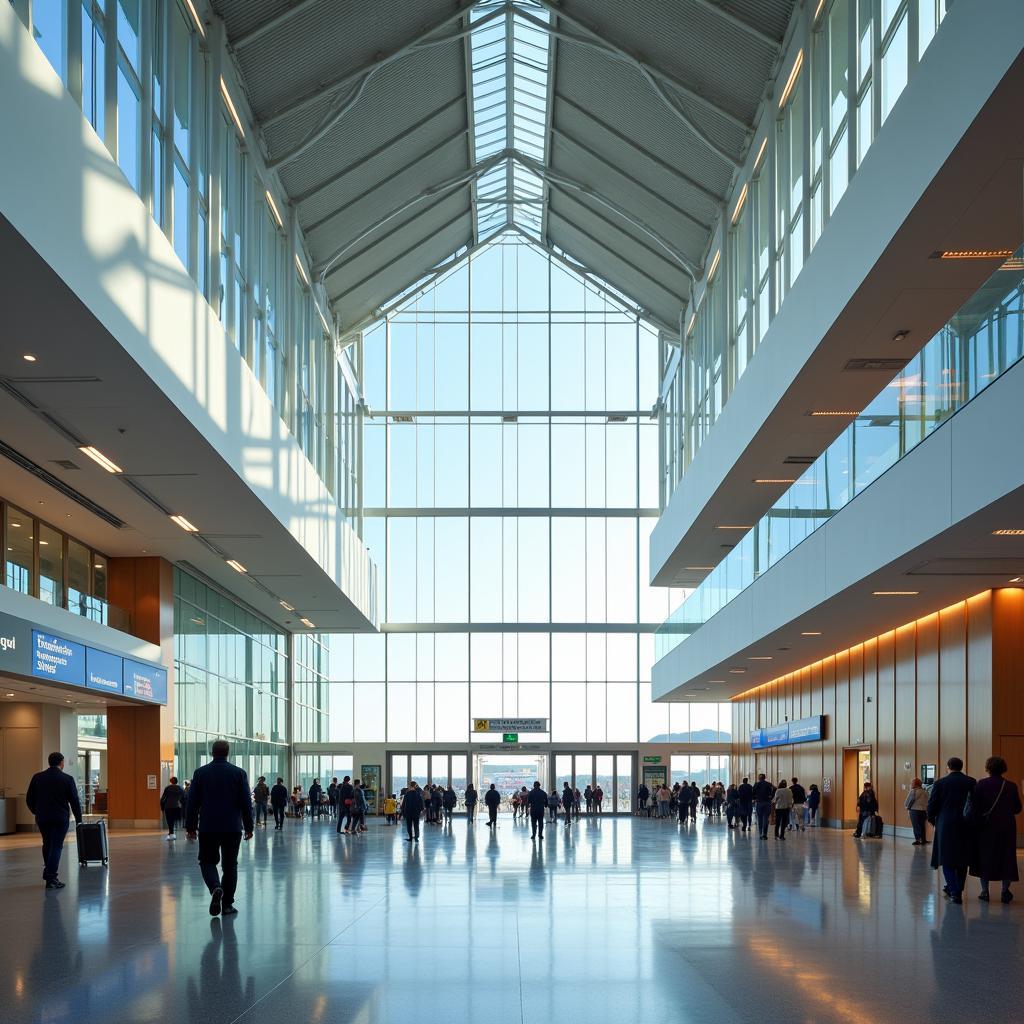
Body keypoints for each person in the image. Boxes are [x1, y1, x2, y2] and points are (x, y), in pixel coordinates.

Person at [184, 739, 253, 917]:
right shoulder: (239, 774)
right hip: (232, 827)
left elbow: (192, 803)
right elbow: (246, 803)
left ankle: (215, 887)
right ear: (227, 753)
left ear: (211, 753)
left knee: (207, 861)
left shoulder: (200, 773)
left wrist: (190, 826)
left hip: (208, 826)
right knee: (230, 866)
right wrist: (249, 826)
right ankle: (227, 905)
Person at [25, 751, 82, 890]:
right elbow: (74, 801)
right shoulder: (67, 779)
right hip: (60, 818)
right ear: (61, 763)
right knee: (56, 846)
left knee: (47, 844)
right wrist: (79, 820)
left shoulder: (37, 777)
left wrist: (36, 811)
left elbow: (29, 799)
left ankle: (50, 875)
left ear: (49, 762)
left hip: (42, 818)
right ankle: (51, 877)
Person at [969, 756, 1022, 903]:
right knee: (1006, 857)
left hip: (985, 828)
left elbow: (975, 807)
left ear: (988, 768)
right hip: (1007, 828)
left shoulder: (981, 784)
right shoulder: (1011, 786)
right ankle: (1005, 891)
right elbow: (1018, 808)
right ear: (1003, 768)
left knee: (985, 857)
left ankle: (985, 891)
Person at [927, 757, 976, 904]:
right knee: (962, 859)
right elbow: (975, 803)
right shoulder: (971, 782)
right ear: (961, 767)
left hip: (945, 824)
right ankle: (958, 888)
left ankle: (954, 891)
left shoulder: (940, 783)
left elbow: (932, 805)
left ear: (948, 767)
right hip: (965, 824)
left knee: (946, 858)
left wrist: (933, 820)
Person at [905, 778, 929, 845]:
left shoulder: (913, 791)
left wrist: (907, 806)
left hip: (914, 811)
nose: (911, 784)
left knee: (916, 826)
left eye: (912, 783)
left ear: (914, 784)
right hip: (924, 811)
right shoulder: (925, 792)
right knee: (922, 826)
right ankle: (923, 839)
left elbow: (907, 801)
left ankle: (918, 840)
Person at [160, 776, 186, 840]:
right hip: (177, 806)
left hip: (168, 806)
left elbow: (163, 799)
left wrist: (162, 807)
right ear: (177, 781)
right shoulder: (180, 788)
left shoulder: (167, 788)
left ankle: (171, 832)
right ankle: (174, 833)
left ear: (170, 781)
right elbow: (184, 798)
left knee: (169, 820)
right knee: (175, 820)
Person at [752, 774, 775, 840]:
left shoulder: (756, 784)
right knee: (766, 818)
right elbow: (775, 789)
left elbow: (753, 793)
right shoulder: (769, 784)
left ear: (759, 778)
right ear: (765, 778)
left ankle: (760, 833)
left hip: (759, 803)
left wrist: (755, 798)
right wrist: (771, 797)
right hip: (767, 803)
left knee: (760, 819)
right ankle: (765, 834)